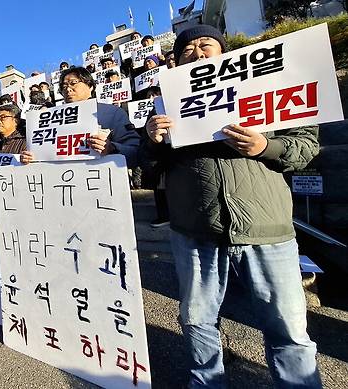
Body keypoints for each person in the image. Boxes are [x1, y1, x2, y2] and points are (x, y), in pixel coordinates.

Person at [144, 25, 321, 388]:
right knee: (197, 320)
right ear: (176, 63)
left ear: (225, 53)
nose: (197, 52)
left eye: (205, 44)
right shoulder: (166, 108)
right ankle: (206, 382)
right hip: (194, 232)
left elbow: (305, 147)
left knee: (287, 326)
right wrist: (154, 142)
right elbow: (149, 171)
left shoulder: (268, 88)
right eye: (187, 49)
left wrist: (264, 147)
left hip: (266, 228)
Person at [21, 66, 140, 167]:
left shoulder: (113, 112)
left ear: (90, 86)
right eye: (63, 86)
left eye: (73, 83)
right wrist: (30, 159)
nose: (67, 89)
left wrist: (112, 148)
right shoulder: (48, 119)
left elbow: (137, 152)